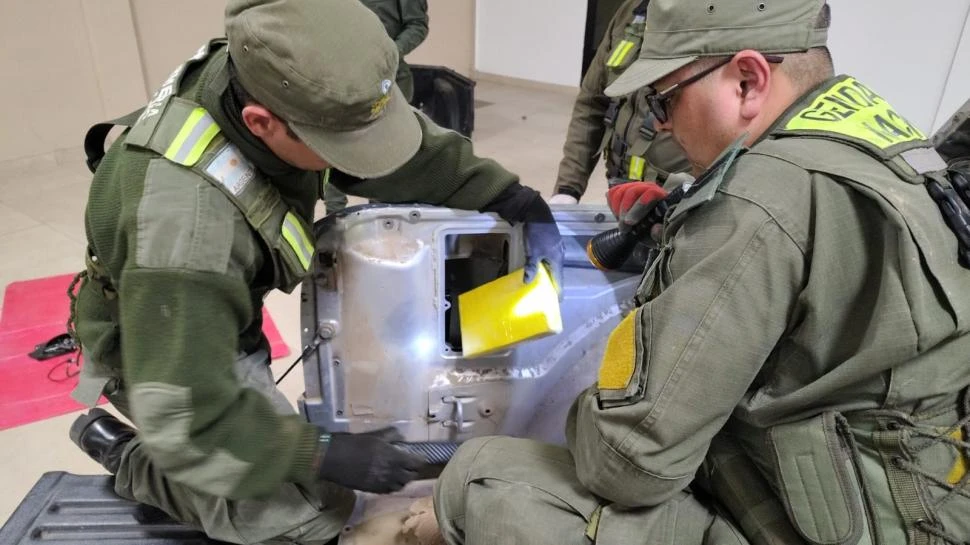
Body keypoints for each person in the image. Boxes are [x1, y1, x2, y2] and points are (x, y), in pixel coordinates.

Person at [433, 1, 970, 544]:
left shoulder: (759, 199)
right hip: (919, 480)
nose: (660, 122)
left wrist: (579, 406)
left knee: (482, 480)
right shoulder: (877, 134)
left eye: (666, 99)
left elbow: (628, 466)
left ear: (747, 80)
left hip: (861, 520)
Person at [66, 0, 563, 543]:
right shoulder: (186, 233)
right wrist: (320, 450)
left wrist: (507, 195)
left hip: (212, 306)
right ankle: (129, 457)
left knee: (309, 483)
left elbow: (391, 149)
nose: (356, 161)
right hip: (159, 351)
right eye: (337, 147)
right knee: (304, 519)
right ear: (261, 123)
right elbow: (187, 414)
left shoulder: (281, 72)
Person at [549, 0, 689, 205]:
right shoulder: (632, 12)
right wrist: (568, 188)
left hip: (676, 201)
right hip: (619, 191)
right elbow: (591, 104)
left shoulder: (722, 23)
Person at [324, 0, 430, 214]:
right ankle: (333, 216)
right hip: (340, 77)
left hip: (387, 82)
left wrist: (390, 53)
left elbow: (418, 25)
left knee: (383, 153)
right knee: (334, 147)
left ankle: (379, 214)